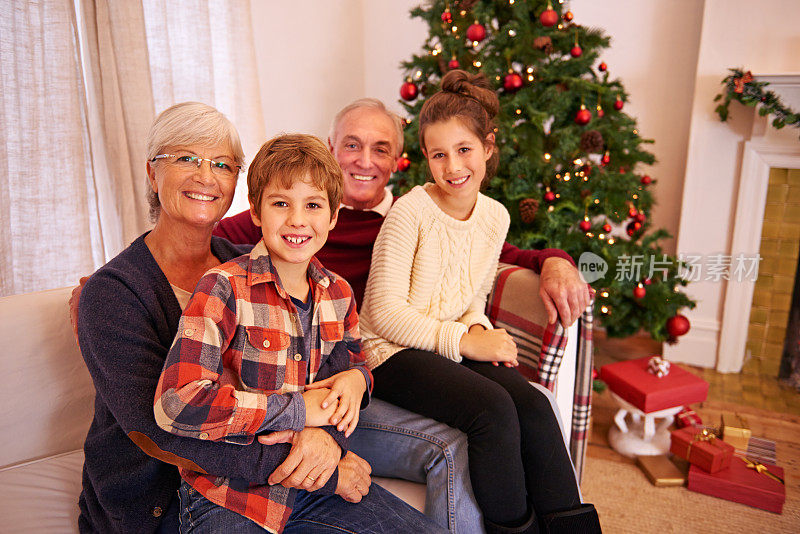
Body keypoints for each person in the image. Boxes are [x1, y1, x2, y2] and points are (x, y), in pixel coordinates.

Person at [214, 98, 592, 533]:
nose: (364, 160)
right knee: (486, 416)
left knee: (532, 402)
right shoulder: (293, 213)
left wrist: (554, 260)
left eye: (380, 149)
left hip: (362, 366)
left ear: (397, 159)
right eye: (352, 145)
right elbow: (211, 244)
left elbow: (481, 256)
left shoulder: (407, 214)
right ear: (331, 147)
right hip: (345, 365)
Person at [76, 102, 442, 533]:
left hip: (276, 479)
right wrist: (311, 449)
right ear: (152, 173)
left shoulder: (262, 266)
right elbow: (160, 428)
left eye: (223, 164)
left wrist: (335, 419)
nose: (205, 176)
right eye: (186, 158)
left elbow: (331, 367)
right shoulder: (116, 292)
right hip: (166, 499)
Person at [358, 70, 601, 534]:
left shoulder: (495, 216)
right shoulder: (411, 211)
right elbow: (384, 314)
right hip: (388, 353)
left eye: (464, 150)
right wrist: (469, 343)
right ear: (425, 159)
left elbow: (471, 297)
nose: (453, 167)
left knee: (532, 405)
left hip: (442, 348)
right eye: (438, 155)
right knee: (490, 410)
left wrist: (479, 329)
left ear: (488, 147)